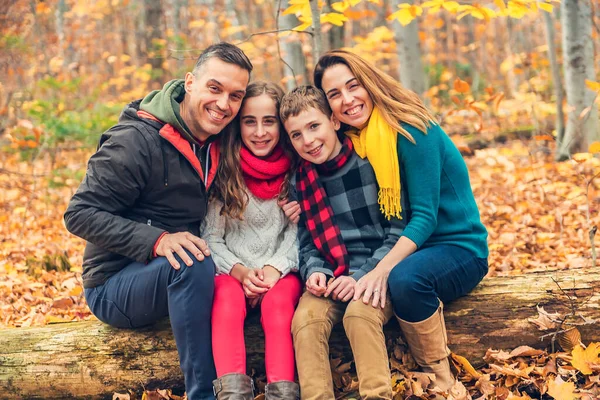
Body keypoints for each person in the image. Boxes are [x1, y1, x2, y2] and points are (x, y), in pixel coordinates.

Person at [63, 42, 253, 400]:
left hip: (179, 278)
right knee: (191, 261)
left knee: (202, 265)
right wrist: (158, 240)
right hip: (115, 283)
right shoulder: (136, 141)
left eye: (235, 95)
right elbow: (79, 214)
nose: (224, 104)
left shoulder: (218, 137)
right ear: (190, 82)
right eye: (215, 88)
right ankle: (203, 394)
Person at [311, 49, 489, 395]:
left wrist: (381, 271)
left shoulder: (411, 130)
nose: (347, 100)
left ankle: (440, 375)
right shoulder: (354, 141)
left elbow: (423, 217)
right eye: (334, 94)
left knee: (406, 280)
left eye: (353, 85)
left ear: (370, 82)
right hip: (408, 244)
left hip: (456, 245)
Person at [279, 85, 406, 400]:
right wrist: (315, 272)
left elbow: (398, 230)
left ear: (334, 122)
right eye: (296, 135)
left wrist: (360, 276)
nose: (308, 140)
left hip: (378, 271)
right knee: (306, 322)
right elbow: (306, 242)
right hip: (332, 273)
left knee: (359, 316)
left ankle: (377, 394)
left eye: (314, 126)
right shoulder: (301, 181)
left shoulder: (371, 163)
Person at [203, 81, 302, 400]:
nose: (260, 131)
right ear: (238, 125)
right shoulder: (225, 170)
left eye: (269, 121)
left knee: (278, 307)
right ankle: (233, 393)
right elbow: (211, 238)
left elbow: (300, 235)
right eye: (250, 121)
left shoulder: (298, 168)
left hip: (281, 272)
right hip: (232, 272)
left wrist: (275, 269)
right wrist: (239, 271)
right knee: (226, 301)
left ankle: (283, 393)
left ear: (282, 125)